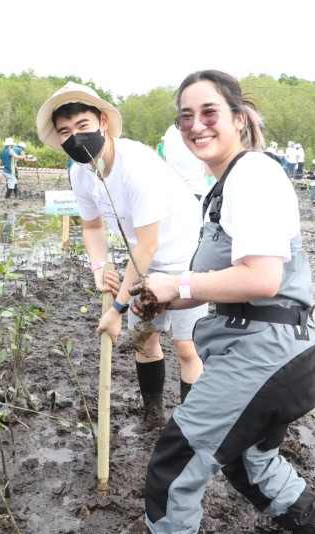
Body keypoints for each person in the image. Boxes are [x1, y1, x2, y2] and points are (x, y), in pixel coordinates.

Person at [131, 70, 315, 534]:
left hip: (262, 354)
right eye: (185, 116)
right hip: (271, 351)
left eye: (209, 112)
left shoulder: (253, 173)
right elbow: (226, 282)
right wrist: (159, 296)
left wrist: (178, 286)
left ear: (239, 118)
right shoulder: (224, 185)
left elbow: (262, 279)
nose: (196, 125)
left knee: (173, 469)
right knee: (252, 463)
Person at [36, 81, 207, 430]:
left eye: (82, 126)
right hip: (142, 257)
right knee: (143, 340)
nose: (74, 137)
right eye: (64, 132)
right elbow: (92, 227)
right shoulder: (80, 172)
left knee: (186, 346)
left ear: (102, 121)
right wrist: (99, 268)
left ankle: (191, 427)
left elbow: (149, 245)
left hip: (183, 256)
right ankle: (153, 416)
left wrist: (117, 309)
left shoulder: (136, 166)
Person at [163, 123, 210, 200]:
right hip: (197, 189)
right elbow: (209, 172)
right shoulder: (198, 130)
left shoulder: (170, 130)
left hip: (173, 191)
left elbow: (165, 159)